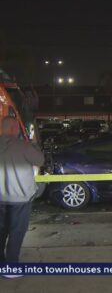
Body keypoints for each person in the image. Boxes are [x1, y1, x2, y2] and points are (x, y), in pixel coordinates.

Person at [0, 116, 44, 273]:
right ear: (14, 129)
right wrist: (35, 145)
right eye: (17, 127)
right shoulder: (24, 147)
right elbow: (40, 160)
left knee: (1, 230)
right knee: (16, 232)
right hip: (20, 199)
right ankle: (11, 268)